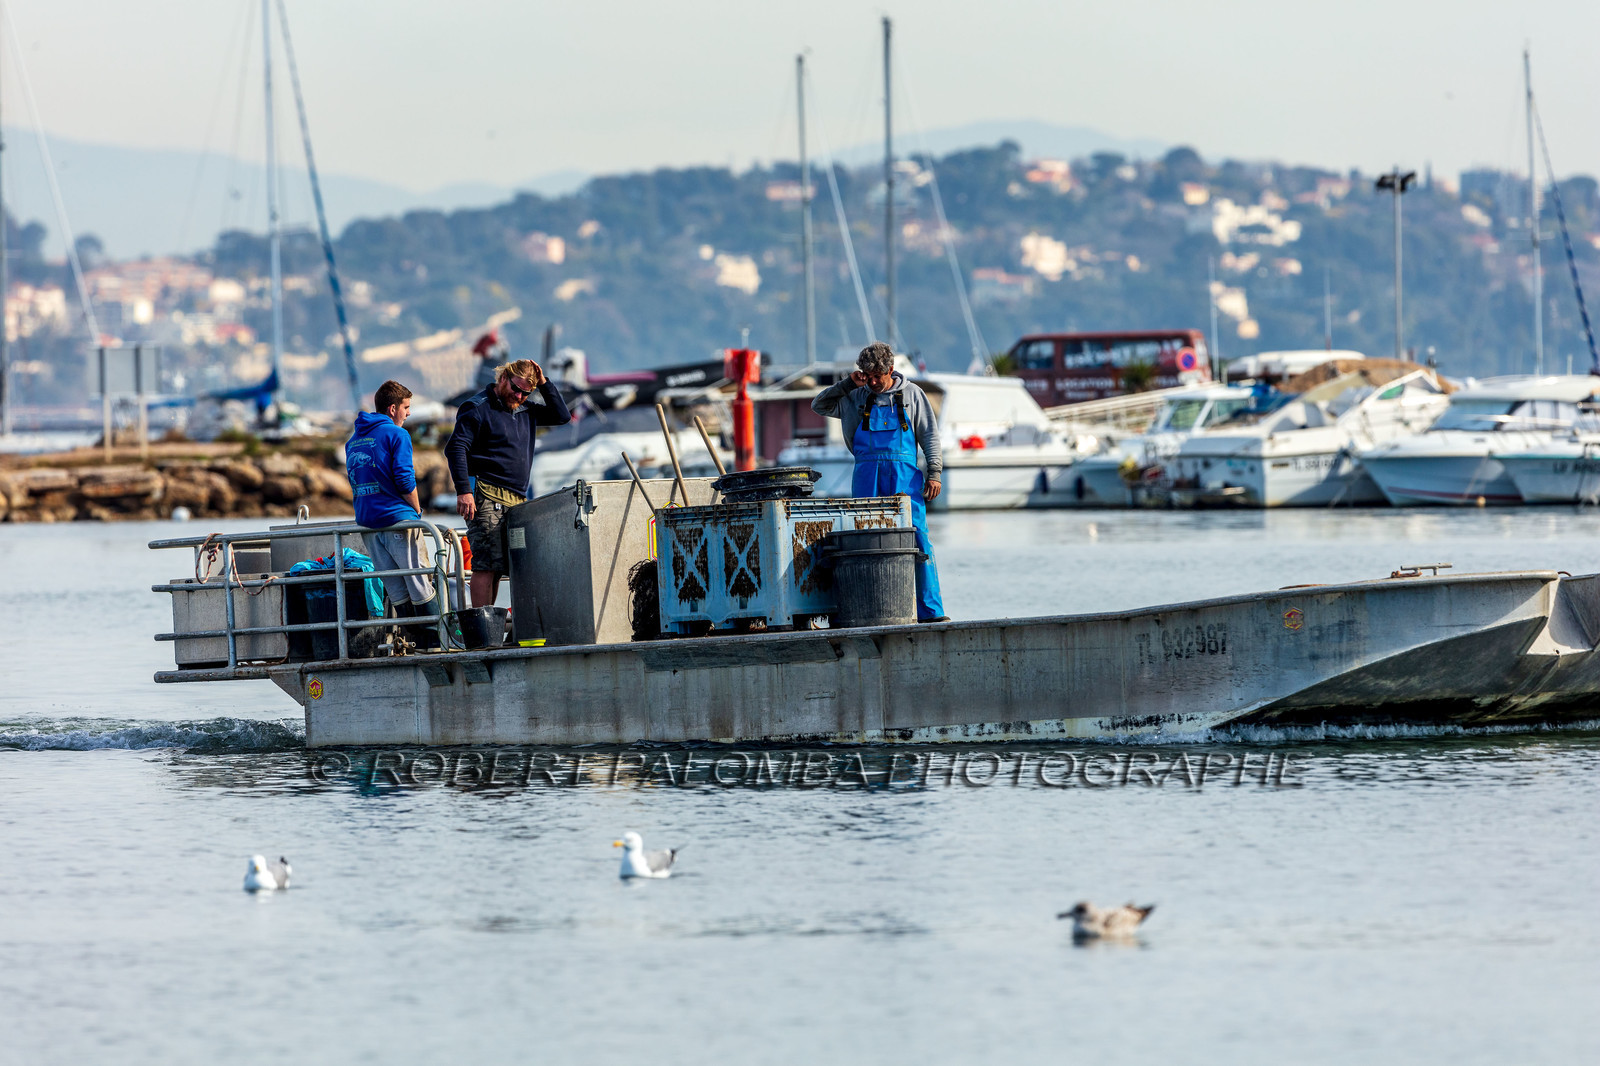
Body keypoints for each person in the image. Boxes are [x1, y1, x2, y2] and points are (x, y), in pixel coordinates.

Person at [811, 342, 948, 622]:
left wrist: (934, 473)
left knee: (919, 539)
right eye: (867, 376)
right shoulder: (854, 396)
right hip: (866, 477)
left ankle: (931, 612)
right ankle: (872, 609)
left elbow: (930, 437)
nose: (872, 382)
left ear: (891, 370)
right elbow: (819, 405)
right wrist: (847, 384)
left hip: (905, 479)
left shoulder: (913, 395)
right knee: (866, 541)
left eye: (878, 376)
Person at [445, 357, 572, 607]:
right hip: (485, 495)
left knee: (502, 567)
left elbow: (562, 416)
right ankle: (483, 635)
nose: (519, 396)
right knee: (486, 565)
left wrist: (544, 383)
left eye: (527, 392)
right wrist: (464, 491)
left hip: (516, 500)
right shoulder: (477, 407)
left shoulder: (526, 410)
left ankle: (491, 628)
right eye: (516, 389)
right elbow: (455, 448)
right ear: (503, 378)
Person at [346, 380, 444, 649]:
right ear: (392, 409)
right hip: (398, 520)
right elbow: (404, 478)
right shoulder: (397, 435)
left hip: (369, 525)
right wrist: (416, 510)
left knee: (396, 589)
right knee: (419, 584)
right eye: (406, 407)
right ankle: (434, 644)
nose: (409, 413)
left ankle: (415, 641)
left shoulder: (354, 440)